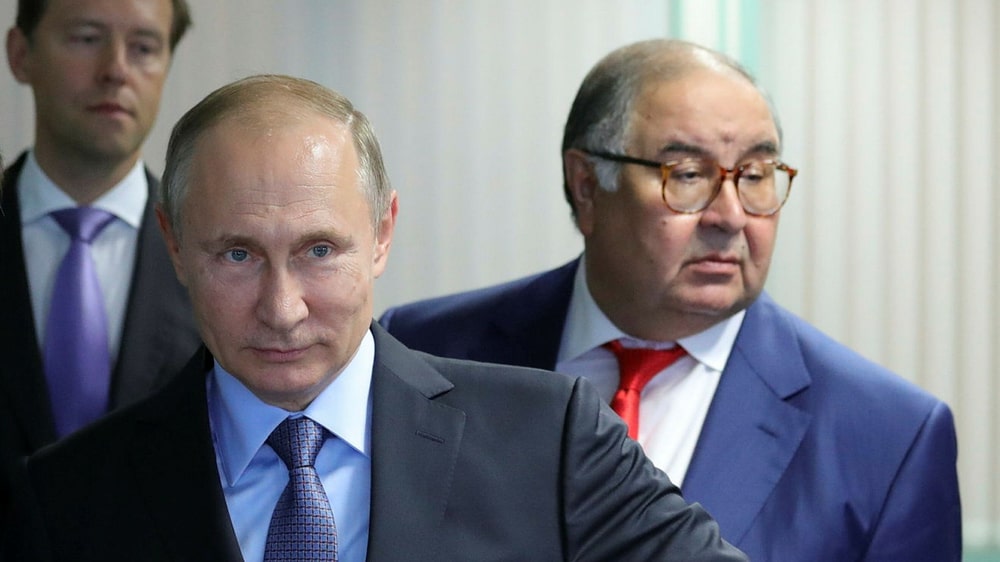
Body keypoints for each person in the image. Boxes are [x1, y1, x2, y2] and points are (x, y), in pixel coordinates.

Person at [20, 74, 746, 561]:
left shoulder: (551, 438)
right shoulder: (65, 499)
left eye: (319, 251)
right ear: (174, 244)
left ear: (382, 233)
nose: (282, 309)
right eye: (237, 255)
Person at [380, 39, 962, 561]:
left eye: (756, 174)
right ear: (587, 186)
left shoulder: (890, 438)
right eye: (687, 174)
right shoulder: (422, 351)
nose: (730, 216)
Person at [0, 0, 198, 542]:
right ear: (20, 55)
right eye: (87, 38)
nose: (116, 69)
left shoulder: (216, 259)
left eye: (144, 47)